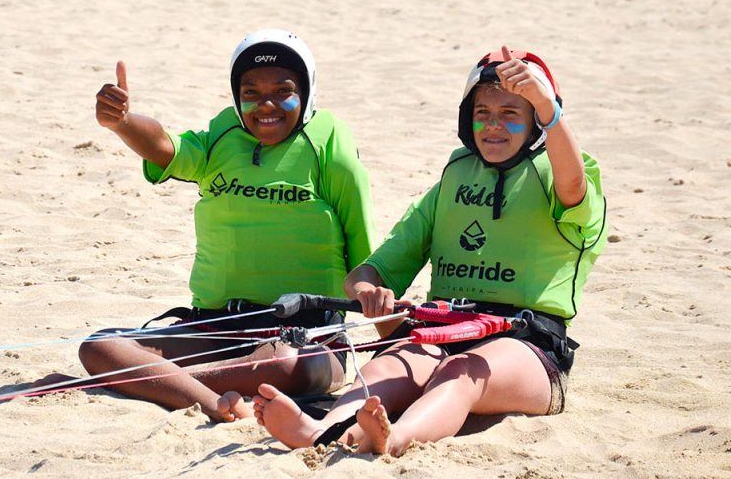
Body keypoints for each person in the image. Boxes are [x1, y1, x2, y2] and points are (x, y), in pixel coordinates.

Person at [253, 46, 607, 455]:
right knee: (390, 363)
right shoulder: (454, 178)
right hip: (446, 331)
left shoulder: (566, 172)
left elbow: (572, 186)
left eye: (511, 114)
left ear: (538, 123)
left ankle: (395, 438)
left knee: (461, 371)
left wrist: (548, 108)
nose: (493, 126)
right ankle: (325, 432)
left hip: (530, 348)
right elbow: (366, 275)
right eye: (483, 113)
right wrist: (369, 291)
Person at [77, 29, 376, 422]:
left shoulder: (330, 147)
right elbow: (166, 147)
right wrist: (124, 121)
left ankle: (167, 383)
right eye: (250, 93)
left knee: (289, 367)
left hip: (303, 335)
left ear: (307, 92)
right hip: (216, 327)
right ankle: (210, 400)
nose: (265, 105)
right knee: (99, 347)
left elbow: (365, 261)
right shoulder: (222, 136)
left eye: (282, 91)